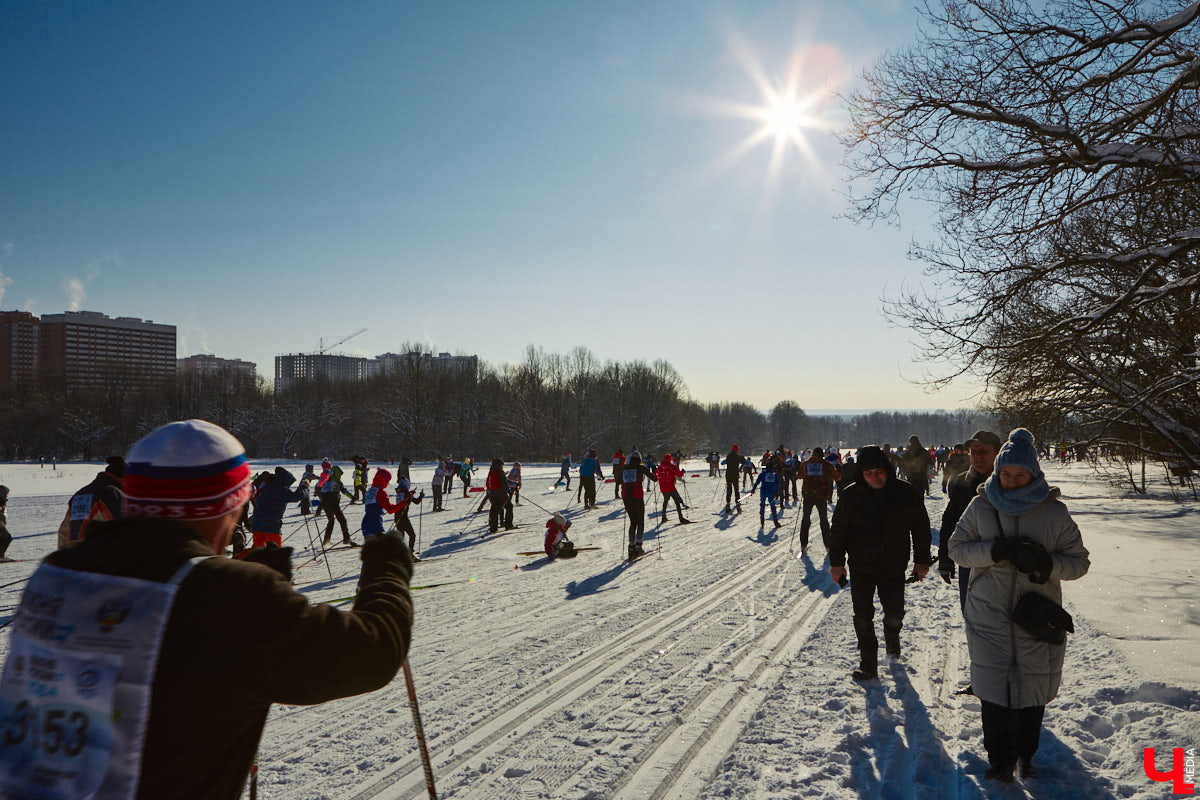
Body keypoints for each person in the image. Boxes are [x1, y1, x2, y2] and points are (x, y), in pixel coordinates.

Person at [0, 419, 413, 800]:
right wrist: (388, 569)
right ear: (224, 506)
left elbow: (180, 655)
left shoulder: (58, 570)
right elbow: (372, 652)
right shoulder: (226, 595)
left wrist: (251, 585)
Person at [947, 428, 1090, 782]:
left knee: (1031, 688)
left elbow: (1079, 562)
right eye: (1006, 474)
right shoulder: (981, 505)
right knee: (993, 688)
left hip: (1036, 614)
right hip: (987, 611)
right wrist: (995, 552)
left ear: (1034, 475)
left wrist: (1047, 565)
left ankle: (1026, 755)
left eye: (1019, 475)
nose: (1011, 482)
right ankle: (999, 761)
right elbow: (957, 548)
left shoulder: (1054, 513)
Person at [829, 445, 932, 681]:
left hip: (894, 565)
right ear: (861, 474)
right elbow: (838, 532)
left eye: (879, 472)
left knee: (894, 613)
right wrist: (836, 563)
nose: (875, 477)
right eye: (869, 473)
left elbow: (920, 527)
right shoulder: (850, 496)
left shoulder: (904, 493)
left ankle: (892, 638)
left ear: (887, 469)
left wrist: (922, 560)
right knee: (863, 615)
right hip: (861, 565)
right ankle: (868, 662)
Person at [938, 430, 1002, 611]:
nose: (978, 457)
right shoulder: (960, 482)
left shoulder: (1009, 481)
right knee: (972, 615)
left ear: (997, 453)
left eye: (984, 452)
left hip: (1005, 561)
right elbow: (950, 522)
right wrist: (945, 558)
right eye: (974, 452)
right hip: (970, 561)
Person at [57, 455, 126, 548]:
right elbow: (125, 530)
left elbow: (65, 530)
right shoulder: (113, 494)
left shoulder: (81, 493)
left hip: (73, 555)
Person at [248, 467, 304, 549]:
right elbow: (297, 496)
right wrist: (304, 487)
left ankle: (239, 559)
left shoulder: (268, 488)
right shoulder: (280, 490)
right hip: (270, 526)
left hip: (257, 525)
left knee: (258, 552)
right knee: (277, 554)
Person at [800, 447, 841, 552]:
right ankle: (828, 545)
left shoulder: (805, 464)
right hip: (821, 496)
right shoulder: (827, 465)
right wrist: (838, 468)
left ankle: (803, 544)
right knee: (824, 521)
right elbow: (837, 477)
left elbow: (799, 475)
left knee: (805, 519)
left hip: (808, 495)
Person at [620, 454, 658, 559]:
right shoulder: (640, 467)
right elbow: (654, 479)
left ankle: (630, 547)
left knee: (633, 522)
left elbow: (619, 480)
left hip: (626, 497)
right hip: (637, 496)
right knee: (640, 521)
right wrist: (655, 471)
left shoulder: (625, 468)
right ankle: (638, 546)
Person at [317, 463, 355, 546]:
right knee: (342, 520)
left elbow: (318, 489)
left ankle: (326, 540)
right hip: (334, 502)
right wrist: (353, 497)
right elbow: (343, 491)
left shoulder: (325, 479)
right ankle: (346, 539)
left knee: (331, 521)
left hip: (325, 502)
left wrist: (322, 499)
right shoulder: (337, 480)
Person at [362, 467, 404, 539]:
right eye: (387, 480)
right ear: (383, 480)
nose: (388, 483)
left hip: (365, 524)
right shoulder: (380, 492)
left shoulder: (370, 491)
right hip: (375, 526)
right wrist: (404, 502)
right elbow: (390, 509)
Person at [391, 476, 426, 556]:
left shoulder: (399, 491)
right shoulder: (407, 493)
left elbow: (406, 496)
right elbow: (416, 502)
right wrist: (421, 495)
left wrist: (411, 493)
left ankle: (399, 554)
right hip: (403, 518)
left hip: (397, 516)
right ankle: (410, 554)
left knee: (401, 537)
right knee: (412, 535)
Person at [656, 453, 691, 524]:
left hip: (662, 487)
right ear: (669, 459)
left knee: (665, 501)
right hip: (670, 487)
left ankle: (664, 517)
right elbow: (679, 474)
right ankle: (681, 518)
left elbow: (656, 475)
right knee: (677, 502)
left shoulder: (659, 467)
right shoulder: (672, 466)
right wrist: (682, 472)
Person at [749, 455, 782, 528]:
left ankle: (762, 521)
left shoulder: (763, 474)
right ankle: (776, 522)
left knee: (762, 506)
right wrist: (777, 493)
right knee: (773, 507)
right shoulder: (775, 475)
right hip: (771, 492)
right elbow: (777, 485)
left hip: (763, 491)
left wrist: (753, 489)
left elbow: (757, 482)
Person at [485, 458, 511, 534]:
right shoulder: (500, 471)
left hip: (491, 494)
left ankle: (493, 528)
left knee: (494, 509)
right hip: (500, 494)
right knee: (509, 507)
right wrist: (508, 491)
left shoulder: (491, 471)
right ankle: (508, 525)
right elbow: (504, 483)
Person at [722, 445, 745, 512]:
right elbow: (744, 462)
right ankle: (737, 504)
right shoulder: (738, 456)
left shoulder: (729, 456)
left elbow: (725, 462)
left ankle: (728, 504)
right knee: (736, 490)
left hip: (728, 475)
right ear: (737, 450)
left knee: (729, 489)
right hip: (735, 475)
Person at [0, 485, 11, 561]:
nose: (7, 495)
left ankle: (1, 556)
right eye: (7, 493)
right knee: (6, 538)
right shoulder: (0, 500)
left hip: (1, 523)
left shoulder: (2, 501)